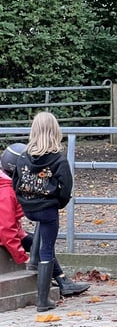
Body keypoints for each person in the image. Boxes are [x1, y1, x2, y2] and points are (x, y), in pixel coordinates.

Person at [12, 112, 90, 311]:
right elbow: (66, 188)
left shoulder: (22, 158)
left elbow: (16, 182)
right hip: (48, 210)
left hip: (29, 207)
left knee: (41, 233)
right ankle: (43, 300)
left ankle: (54, 280)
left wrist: (26, 201)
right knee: (47, 249)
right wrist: (57, 203)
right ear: (55, 131)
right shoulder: (59, 160)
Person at [0, 143, 89, 299]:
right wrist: (23, 258)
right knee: (42, 245)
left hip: (14, 232)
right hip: (6, 235)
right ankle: (59, 283)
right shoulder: (6, 192)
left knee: (40, 243)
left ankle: (62, 279)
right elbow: (6, 229)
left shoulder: (7, 185)